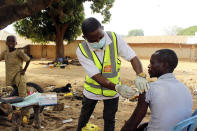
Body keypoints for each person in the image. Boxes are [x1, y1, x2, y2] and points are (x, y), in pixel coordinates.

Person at [76, 17, 149, 131]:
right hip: (92, 92)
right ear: (85, 38)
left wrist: (140, 75)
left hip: (112, 92)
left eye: (100, 37)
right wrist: (118, 87)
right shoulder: (82, 50)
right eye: (92, 40)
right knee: (84, 118)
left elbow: (132, 57)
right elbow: (96, 76)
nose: (98, 42)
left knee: (110, 119)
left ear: (103, 29)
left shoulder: (114, 38)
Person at [121, 49, 193, 131]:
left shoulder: (149, 88)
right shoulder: (185, 89)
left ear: (165, 65)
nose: (148, 66)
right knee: (144, 125)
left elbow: (132, 124)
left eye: (152, 63)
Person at [0, 35, 31, 123]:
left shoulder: (19, 52)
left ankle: (26, 115)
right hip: (9, 77)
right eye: (9, 41)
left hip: (18, 76)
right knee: (10, 96)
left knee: (22, 96)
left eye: (13, 41)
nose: (11, 43)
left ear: (16, 43)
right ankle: (14, 113)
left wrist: (24, 70)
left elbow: (28, 60)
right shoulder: (5, 53)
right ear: (6, 43)